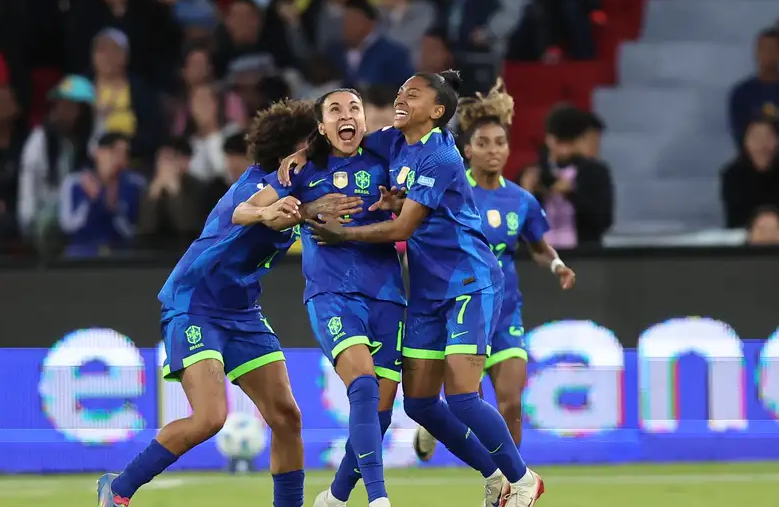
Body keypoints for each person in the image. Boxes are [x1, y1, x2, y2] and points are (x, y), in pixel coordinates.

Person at [290, 71, 545, 507]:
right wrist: (299, 151)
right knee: (421, 406)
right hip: (426, 290)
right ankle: (492, 477)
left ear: (438, 111)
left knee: (463, 397)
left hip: (468, 279)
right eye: (400, 89)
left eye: (413, 94)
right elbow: (341, 139)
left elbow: (405, 227)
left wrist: (344, 234)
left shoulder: (441, 156)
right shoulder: (392, 141)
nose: (400, 97)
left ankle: (521, 478)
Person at [96, 102, 361, 507]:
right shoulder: (256, 185)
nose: (316, 149)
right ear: (286, 151)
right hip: (195, 304)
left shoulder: (306, 186)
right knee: (210, 418)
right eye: (309, 143)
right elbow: (248, 211)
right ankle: (118, 489)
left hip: (242, 312)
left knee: (287, 418)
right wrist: (274, 212)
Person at [246, 89, 400, 507]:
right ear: (321, 126)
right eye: (335, 110)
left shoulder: (387, 158)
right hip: (332, 294)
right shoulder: (301, 171)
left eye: (354, 109)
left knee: (380, 413)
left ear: (366, 121)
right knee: (363, 385)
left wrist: (398, 204)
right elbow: (247, 210)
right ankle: (378, 499)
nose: (346, 116)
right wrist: (300, 209)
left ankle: (335, 497)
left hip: (388, 293)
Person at [426, 79, 576, 449]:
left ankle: (511, 487)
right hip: (463, 310)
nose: (493, 151)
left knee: (510, 401)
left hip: (506, 311)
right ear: (467, 151)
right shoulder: (452, 195)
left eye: (500, 143)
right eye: (483, 143)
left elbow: (538, 247)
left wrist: (557, 265)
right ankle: (430, 415)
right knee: (468, 403)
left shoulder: (521, 200)